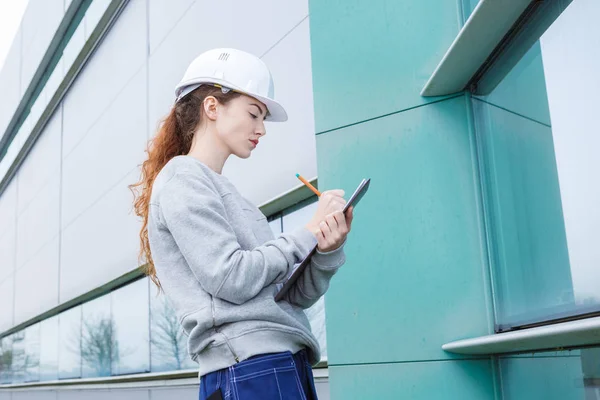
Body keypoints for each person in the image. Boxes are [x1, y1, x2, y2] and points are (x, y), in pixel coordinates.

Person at [130, 48, 353, 399]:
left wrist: (326, 248)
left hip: (275, 363)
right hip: (249, 367)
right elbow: (230, 277)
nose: (261, 129)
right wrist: (305, 233)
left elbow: (288, 297)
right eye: (254, 114)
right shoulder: (182, 178)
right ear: (212, 107)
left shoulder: (231, 196)